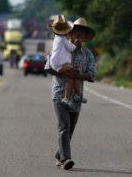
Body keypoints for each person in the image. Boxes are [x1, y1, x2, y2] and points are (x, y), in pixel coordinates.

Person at [46, 17, 96, 170]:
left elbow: (91, 76)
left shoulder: (88, 55)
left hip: (76, 97)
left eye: (81, 34)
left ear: (85, 37)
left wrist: (76, 76)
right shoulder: (60, 48)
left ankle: (60, 154)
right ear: (69, 33)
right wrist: (63, 74)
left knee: (70, 130)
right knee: (64, 127)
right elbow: (48, 67)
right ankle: (66, 159)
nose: (78, 36)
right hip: (59, 94)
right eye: (75, 33)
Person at [49, 15, 86, 110]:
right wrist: (74, 44)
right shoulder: (63, 39)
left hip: (56, 62)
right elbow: (71, 48)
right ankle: (76, 96)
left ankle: (68, 98)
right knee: (75, 75)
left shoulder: (57, 38)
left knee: (70, 79)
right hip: (60, 63)